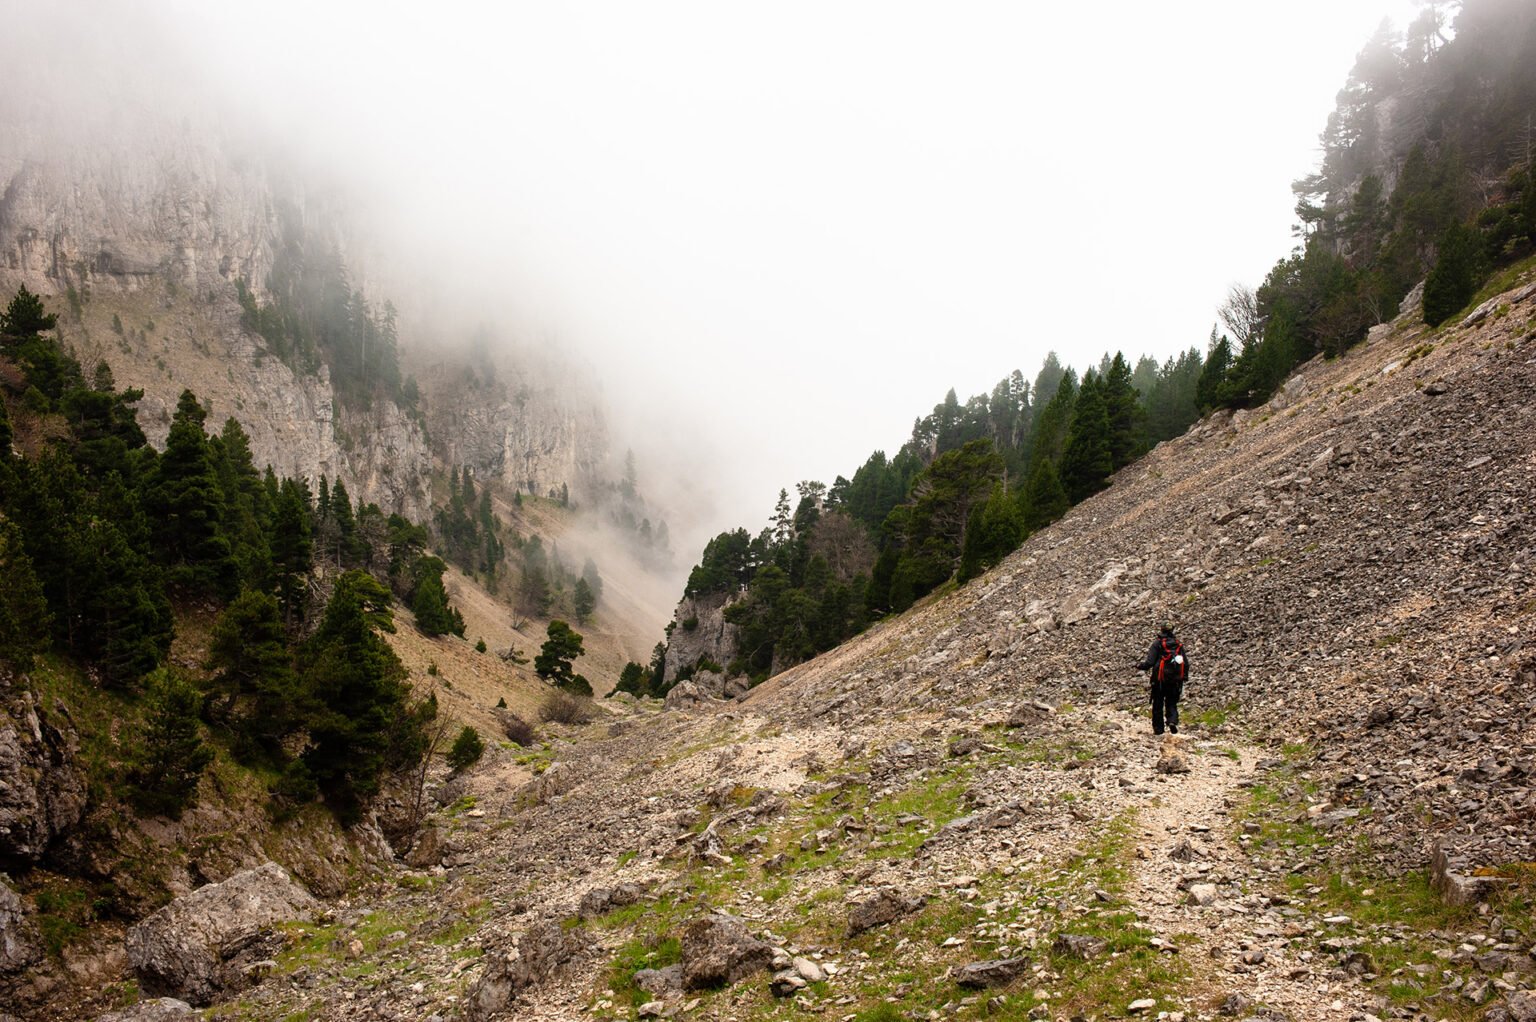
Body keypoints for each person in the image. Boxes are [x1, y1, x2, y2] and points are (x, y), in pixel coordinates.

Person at [1134, 624, 1188, 736]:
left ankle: (1159, 730)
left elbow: (1150, 662)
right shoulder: (1178, 644)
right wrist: (1184, 677)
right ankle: (1172, 721)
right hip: (1175, 680)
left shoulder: (1157, 644)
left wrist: (1139, 666)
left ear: (1161, 630)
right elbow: (1185, 663)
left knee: (1157, 703)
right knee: (1172, 702)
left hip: (1159, 680)